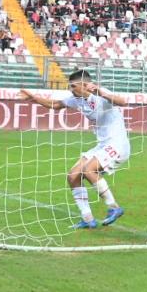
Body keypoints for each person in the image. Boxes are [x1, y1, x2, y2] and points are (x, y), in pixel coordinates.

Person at [19, 69, 130, 229]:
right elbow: (56, 105)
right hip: (103, 145)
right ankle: (87, 219)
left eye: (73, 86)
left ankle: (114, 207)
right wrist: (33, 98)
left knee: (88, 170)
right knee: (72, 176)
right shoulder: (75, 99)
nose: (70, 89)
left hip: (117, 144)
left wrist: (100, 91)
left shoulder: (100, 96)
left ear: (84, 85)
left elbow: (123, 102)